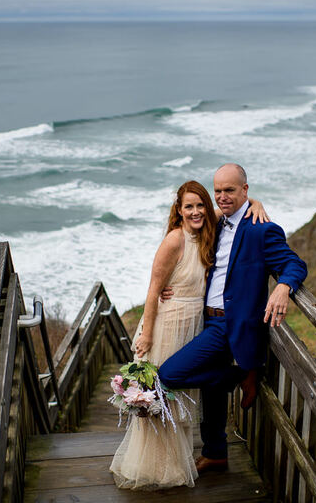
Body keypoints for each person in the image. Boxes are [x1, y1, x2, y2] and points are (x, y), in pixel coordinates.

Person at [109, 179, 268, 490]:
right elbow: (154, 290)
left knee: (178, 396)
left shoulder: (210, 229)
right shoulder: (174, 240)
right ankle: (159, 468)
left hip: (194, 323)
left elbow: (235, 206)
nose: (195, 212)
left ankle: (182, 460)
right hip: (168, 324)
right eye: (188, 207)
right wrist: (147, 336)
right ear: (178, 211)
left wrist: (257, 204)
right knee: (162, 389)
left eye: (199, 206)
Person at [158, 163, 307, 474]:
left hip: (230, 325)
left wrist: (283, 286)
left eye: (230, 190)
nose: (222, 196)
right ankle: (215, 453)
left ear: (245, 190)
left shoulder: (261, 229)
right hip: (205, 319)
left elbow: (294, 263)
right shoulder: (215, 222)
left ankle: (239, 376)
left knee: (169, 375)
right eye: (218, 191)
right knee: (210, 389)